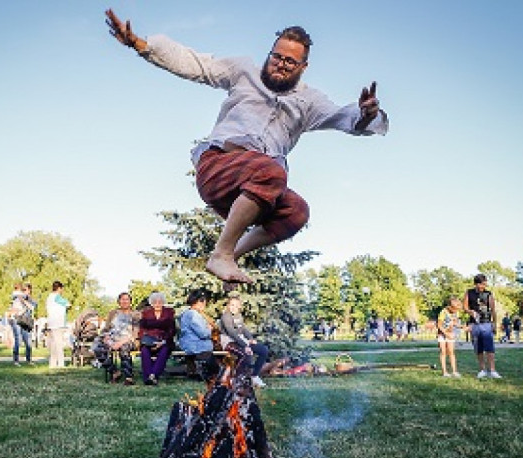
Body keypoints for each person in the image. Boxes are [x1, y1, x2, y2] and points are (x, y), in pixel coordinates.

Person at [105, 9, 388, 286]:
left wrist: (367, 114)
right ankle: (223, 252)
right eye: (277, 57)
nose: (281, 65)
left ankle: (226, 256)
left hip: (254, 191)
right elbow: (196, 64)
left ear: (303, 67)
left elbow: (345, 118)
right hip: (218, 168)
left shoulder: (310, 102)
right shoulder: (243, 72)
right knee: (271, 170)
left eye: (290, 62)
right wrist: (141, 44)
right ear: (269, 54)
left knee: (297, 211)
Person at [219, 295, 269, 388]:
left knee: (263, 350)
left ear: (239, 307)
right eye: (231, 305)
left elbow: (244, 329)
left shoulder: (238, 316)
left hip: (241, 340)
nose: (233, 307)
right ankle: (235, 379)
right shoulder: (226, 316)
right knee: (246, 354)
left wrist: (250, 339)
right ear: (228, 306)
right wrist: (245, 345)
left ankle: (254, 376)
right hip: (229, 342)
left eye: (236, 305)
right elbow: (231, 333)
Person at [95, 292, 141, 385]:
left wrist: (120, 342)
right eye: (122, 299)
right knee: (98, 348)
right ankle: (114, 372)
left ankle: (128, 377)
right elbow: (106, 329)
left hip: (129, 339)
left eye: (127, 299)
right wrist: (106, 339)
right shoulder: (113, 313)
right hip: (113, 338)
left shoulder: (136, 314)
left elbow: (136, 332)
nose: (124, 301)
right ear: (118, 301)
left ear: (130, 302)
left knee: (124, 347)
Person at [463, 274, 501, 379]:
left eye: (485, 284)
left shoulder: (488, 294)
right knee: (478, 348)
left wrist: (494, 324)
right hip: (474, 324)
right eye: (482, 284)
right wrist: (470, 312)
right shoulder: (469, 293)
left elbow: (493, 310)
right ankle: (482, 370)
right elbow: (465, 307)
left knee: (490, 348)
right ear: (476, 284)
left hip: (486, 323)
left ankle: (492, 370)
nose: (484, 286)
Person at [178, 289, 220, 382]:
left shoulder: (189, 313)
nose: (204, 305)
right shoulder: (193, 315)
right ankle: (207, 375)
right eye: (203, 302)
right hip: (195, 346)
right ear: (198, 302)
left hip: (191, 344)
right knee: (214, 366)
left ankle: (200, 373)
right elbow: (203, 334)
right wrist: (210, 329)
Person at [138, 292, 176, 385]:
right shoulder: (146, 313)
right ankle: (149, 376)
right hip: (149, 340)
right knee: (144, 350)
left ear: (163, 302)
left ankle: (153, 375)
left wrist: (163, 342)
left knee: (165, 350)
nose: (157, 304)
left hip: (165, 340)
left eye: (160, 302)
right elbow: (142, 329)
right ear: (151, 303)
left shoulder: (169, 312)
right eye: (155, 302)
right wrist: (144, 340)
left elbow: (172, 330)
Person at [45, 281, 70, 369]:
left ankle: (52, 363)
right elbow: (67, 304)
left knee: (53, 345)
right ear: (59, 288)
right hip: (58, 323)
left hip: (51, 323)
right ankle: (61, 363)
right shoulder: (57, 297)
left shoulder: (49, 297)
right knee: (59, 344)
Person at [11, 283, 37, 366]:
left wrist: (24, 301)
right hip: (17, 319)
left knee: (28, 341)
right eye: (22, 290)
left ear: (29, 291)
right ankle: (16, 360)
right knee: (18, 340)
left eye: (25, 290)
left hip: (26, 320)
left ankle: (28, 359)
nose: (23, 292)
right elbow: (13, 308)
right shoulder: (16, 298)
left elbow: (32, 307)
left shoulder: (30, 299)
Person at [437, 297, 462, 378]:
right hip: (442, 334)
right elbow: (439, 325)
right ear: (451, 307)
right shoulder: (443, 312)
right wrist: (445, 333)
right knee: (443, 352)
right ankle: (445, 372)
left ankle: (454, 371)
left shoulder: (456, 313)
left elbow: (455, 323)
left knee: (451, 352)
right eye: (455, 309)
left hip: (450, 333)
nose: (456, 311)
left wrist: (462, 327)